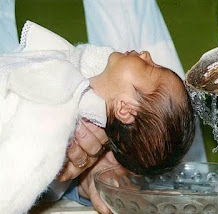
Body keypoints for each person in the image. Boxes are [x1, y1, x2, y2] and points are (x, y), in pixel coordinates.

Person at [0, 21, 195, 214]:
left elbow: (19, 177)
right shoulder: (80, 78)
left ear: (125, 109)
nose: (147, 55)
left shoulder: (64, 108)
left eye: (149, 68)